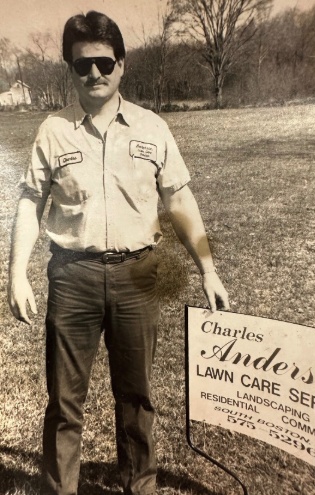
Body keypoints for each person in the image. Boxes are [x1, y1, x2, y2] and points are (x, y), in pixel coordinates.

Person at [7, 11, 229, 495]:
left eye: (104, 63)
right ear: (71, 68)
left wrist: (208, 270)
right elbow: (29, 200)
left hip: (138, 277)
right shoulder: (53, 130)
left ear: (122, 65)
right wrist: (17, 274)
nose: (94, 75)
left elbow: (180, 200)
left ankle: (139, 486)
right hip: (72, 277)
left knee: (137, 398)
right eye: (82, 65)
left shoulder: (152, 128)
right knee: (64, 403)